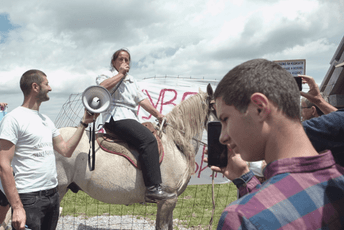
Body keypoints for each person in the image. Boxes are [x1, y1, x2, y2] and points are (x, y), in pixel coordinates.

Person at [210, 59, 344, 229]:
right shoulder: (337, 183)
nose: (222, 137)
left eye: (225, 119)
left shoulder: (242, 218)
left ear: (259, 108)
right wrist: (246, 178)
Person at [0, 70, 95, 230]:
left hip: (52, 194)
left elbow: (66, 150)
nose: (50, 88)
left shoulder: (46, 120)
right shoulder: (13, 119)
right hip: (28, 197)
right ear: (35, 86)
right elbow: (3, 165)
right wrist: (17, 207)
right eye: (47, 84)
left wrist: (83, 124)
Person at [96, 49, 176, 202]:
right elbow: (102, 88)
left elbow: (142, 100)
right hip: (115, 117)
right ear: (114, 62)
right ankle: (153, 188)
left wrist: (158, 115)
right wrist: (120, 74)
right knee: (148, 140)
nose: (125, 63)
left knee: (152, 136)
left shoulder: (132, 80)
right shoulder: (105, 74)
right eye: (121, 59)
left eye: (127, 60)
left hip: (130, 118)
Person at [299, 74, 344, 166]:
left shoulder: (323, 128)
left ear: (313, 110)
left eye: (302, 108)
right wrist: (318, 100)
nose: (300, 112)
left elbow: (286, 133)